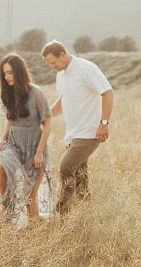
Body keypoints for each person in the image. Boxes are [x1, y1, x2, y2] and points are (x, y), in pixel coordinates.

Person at [41, 40, 114, 214]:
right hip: (72, 134)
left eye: (53, 62)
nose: (53, 66)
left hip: (89, 132)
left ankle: (61, 211)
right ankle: (86, 213)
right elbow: (64, 100)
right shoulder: (61, 75)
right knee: (81, 177)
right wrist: (47, 114)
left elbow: (107, 92)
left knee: (65, 168)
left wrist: (104, 124)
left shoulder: (86, 68)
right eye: (49, 64)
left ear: (62, 54)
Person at [0, 54, 52, 221]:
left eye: (10, 73)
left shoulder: (36, 93)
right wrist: (2, 140)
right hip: (13, 143)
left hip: (34, 144)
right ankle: (7, 208)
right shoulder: (8, 95)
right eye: (4, 74)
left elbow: (47, 124)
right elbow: (9, 122)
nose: (7, 77)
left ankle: (36, 232)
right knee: (2, 168)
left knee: (30, 197)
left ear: (19, 72)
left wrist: (39, 152)